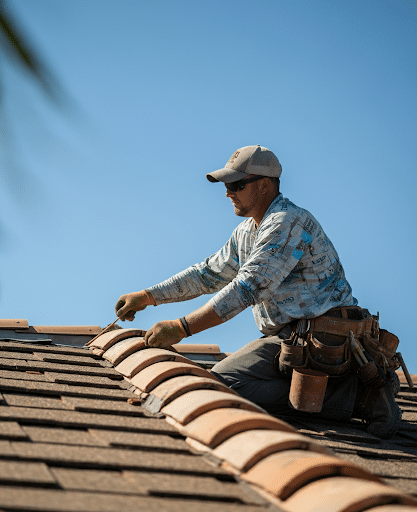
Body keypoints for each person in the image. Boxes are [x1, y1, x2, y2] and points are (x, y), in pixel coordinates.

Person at [115, 145, 401, 439]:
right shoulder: (247, 232)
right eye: (227, 186)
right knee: (222, 385)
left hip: (325, 338)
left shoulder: (287, 222)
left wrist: (181, 327)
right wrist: (148, 296)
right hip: (291, 337)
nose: (228, 193)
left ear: (265, 185)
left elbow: (246, 288)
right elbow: (208, 273)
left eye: (237, 185)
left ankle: (359, 397)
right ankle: (338, 392)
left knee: (223, 386)